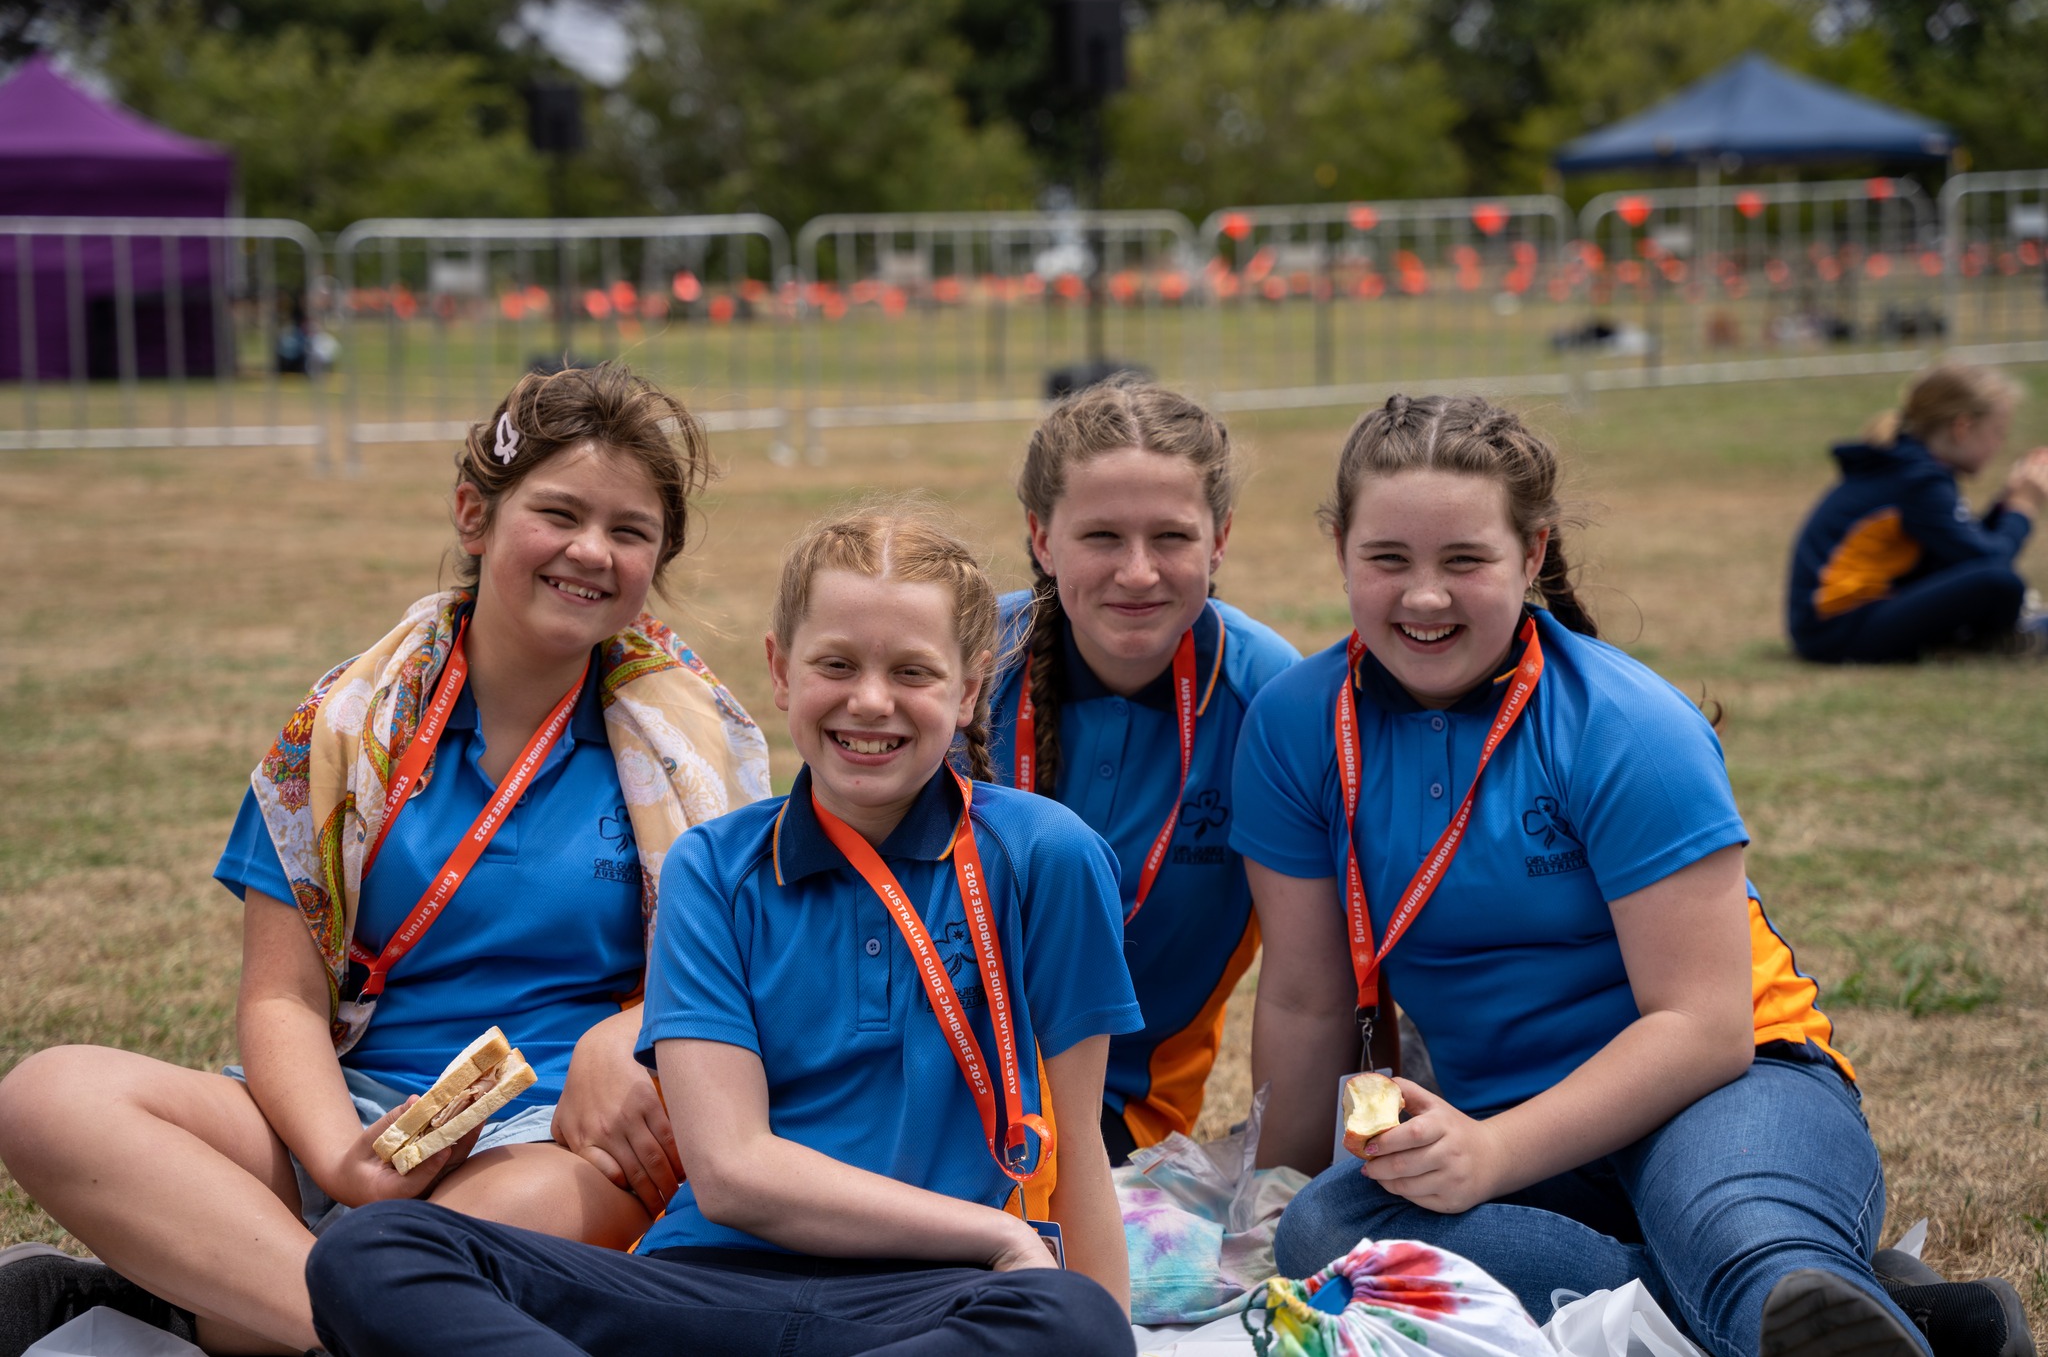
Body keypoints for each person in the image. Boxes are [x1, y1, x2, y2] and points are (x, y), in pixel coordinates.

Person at [1233, 394, 2035, 1357]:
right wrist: (1263, 1205)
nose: (1425, 597)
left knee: (1740, 1233)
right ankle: (1848, 1305)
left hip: (1723, 1089)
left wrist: (1493, 1154)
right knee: (1325, 1237)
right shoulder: (1293, 725)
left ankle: (1777, 1274)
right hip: (1505, 1128)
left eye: (1466, 561)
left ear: (1531, 555)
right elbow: (1309, 996)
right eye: (1388, 559)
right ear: (1341, 552)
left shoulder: (1628, 722)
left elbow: (1702, 1027)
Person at [0, 363, 770, 1356]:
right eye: (561, 513)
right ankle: (350, 1323)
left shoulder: (696, 749)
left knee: (511, 1230)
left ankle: (193, 1307)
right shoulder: (342, 728)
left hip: (550, 1135)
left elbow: (738, 982)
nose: (592, 551)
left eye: (629, 532)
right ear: (473, 515)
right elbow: (280, 1000)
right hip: (350, 1112)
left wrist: (627, 1035)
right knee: (52, 1097)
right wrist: (343, 1157)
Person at [301, 504, 1141, 1357]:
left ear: (969, 690)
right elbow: (734, 1173)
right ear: (780, 671)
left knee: (1072, 1322)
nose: (871, 701)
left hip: (927, 1296)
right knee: (372, 1249)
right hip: (701, 1287)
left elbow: (1078, 1147)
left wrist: (1100, 1324)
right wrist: (993, 1235)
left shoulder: (1049, 855)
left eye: (914, 672)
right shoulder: (714, 865)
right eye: (836, 664)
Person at [989, 378, 1298, 1163]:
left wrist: (1287, 1180)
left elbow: (1312, 979)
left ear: (1220, 538)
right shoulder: (960, 664)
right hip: (922, 1070)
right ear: (1041, 535)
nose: (1137, 572)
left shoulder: (1273, 702)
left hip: (1121, 1111)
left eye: (1170, 537)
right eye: (1101, 537)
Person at [1788, 363, 2048, 663]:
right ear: (1962, 428)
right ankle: (1986, 641)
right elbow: (1991, 560)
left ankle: (1993, 636)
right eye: (1997, 433)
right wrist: (2022, 508)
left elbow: (1960, 549)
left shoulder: (1911, 468)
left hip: (1833, 626)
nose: (1999, 445)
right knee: (2001, 583)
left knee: (1991, 579)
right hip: (1838, 631)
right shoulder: (1917, 480)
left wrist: (2006, 503)